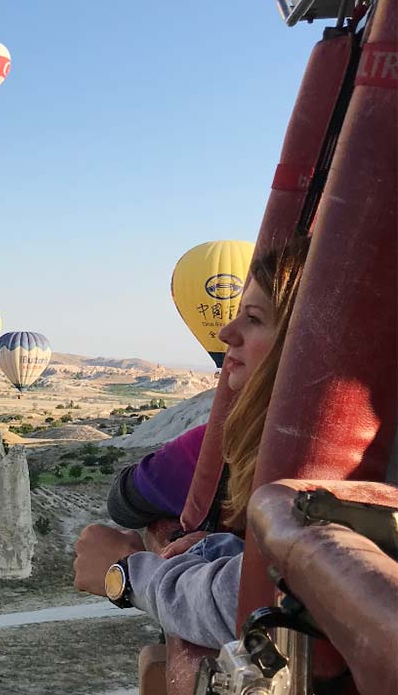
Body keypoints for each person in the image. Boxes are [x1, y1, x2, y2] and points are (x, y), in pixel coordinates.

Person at [73, 236, 309, 647]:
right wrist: (221, 549)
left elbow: (250, 604)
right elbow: (279, 575)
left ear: (308, 340)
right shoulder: (277, 448)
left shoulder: (226, 446)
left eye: (252, 318)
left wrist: (125, 573)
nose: (225, 332)